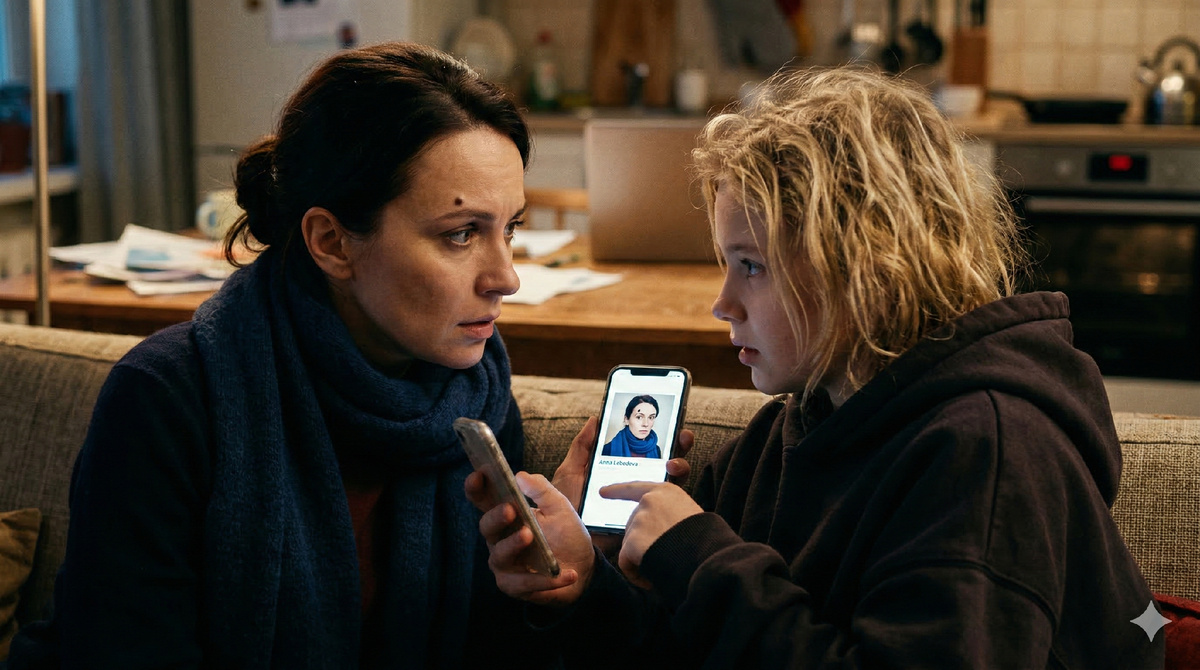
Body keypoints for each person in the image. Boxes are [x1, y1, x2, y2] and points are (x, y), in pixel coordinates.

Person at [468, 66, 1164, 668]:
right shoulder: (792, 429)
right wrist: (583, 584)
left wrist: (702, 560)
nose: (722, 304)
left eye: (751, 266)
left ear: (865, 266)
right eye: (726, 264)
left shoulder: (987, 451)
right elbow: (680, 643)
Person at [7, 42, 556, 669]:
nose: (506, 278)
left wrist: (560, 594)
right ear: (332, 242)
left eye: (510, 228)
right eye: (460, 234)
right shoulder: (167, 399)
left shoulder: (478, 402)